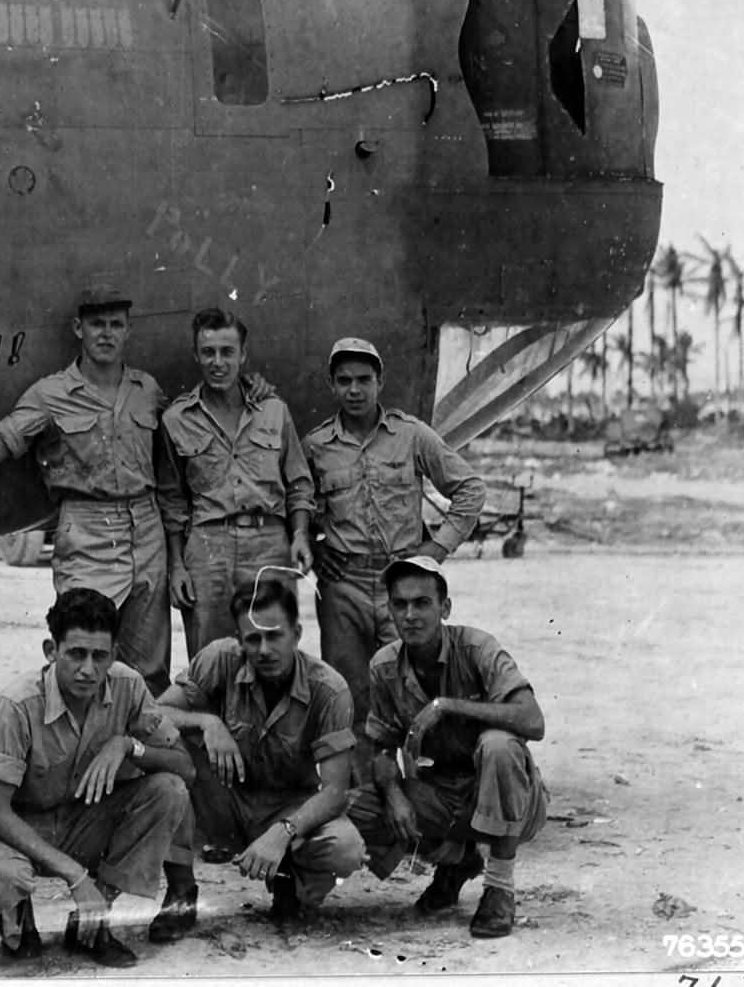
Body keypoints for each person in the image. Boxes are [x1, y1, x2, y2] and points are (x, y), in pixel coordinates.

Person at [0, 588, 194, 968]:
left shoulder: (128, 685)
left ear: (114, 655)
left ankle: (93, 918)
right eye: (76, 654)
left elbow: (185, 767)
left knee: (168, 791)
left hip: (81, 819)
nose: (88, 669)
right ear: (50, 650)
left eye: (100, 656)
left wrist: (127, 745)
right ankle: (17, 918)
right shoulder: (16, 705)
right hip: (17, 827)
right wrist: (76, 878)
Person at [301, 337, 486, 761]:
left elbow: (470, 489)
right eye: (344, 380)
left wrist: (434, 551)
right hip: (342, 585)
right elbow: (294, 506)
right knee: (351, 693)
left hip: (401, 585)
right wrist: (313, 546)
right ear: (331, 385)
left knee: (415, 687)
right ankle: (366, 797)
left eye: (364, 380)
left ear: (379, 382)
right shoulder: (315, 446)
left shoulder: (411, 435)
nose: (354, 390)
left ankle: (426, 790)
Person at [347, 556, 548, 938]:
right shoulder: (385, 666)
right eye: (400, 604)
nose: (410, 614)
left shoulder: (476, 648)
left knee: (499, 746)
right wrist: (393, 795)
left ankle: (500, 887)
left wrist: (447, 706)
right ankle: (456, 859)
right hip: (441, 795)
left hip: (506, 797)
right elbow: (381, 747)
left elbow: (532, 721)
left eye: (422, 603)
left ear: (445, 608)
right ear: (389, 610)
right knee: (357, 807)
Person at [0, 283, 172, 695]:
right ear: (78, 328)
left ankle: (141, 756)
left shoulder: (147, 391)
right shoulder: (50, 395)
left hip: (146, 529)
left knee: (150, 669)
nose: (106, 334)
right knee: (81, 663)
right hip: (86, 529)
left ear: (128, 331)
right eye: (96, 325)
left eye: (115, 325)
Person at [154, 577, 364, 934]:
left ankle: (289, 881)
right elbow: (153, 716)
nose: (264, 649)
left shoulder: (329, 688)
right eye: (253, 638)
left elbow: (334, 791)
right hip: (226, 800)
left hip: (289, 807)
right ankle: (180, 891)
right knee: (166, 762)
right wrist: (207, 722)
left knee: (345, 848)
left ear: (296, 634)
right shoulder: (220, 658)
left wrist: (283, 833)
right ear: (239, 640)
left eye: (275, 635)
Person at [157, 307, 315, 657]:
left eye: (227, 352)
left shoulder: (274, 411)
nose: (218, 362)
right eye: (209, 352)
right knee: (212, 655)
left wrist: (300, 534)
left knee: (271, 647)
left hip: (270, 542)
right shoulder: (176, 419)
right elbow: (172, 502)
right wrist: (177, 566)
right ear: (195, 355)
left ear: (243, 355)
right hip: (208, 547)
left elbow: (299, 484)